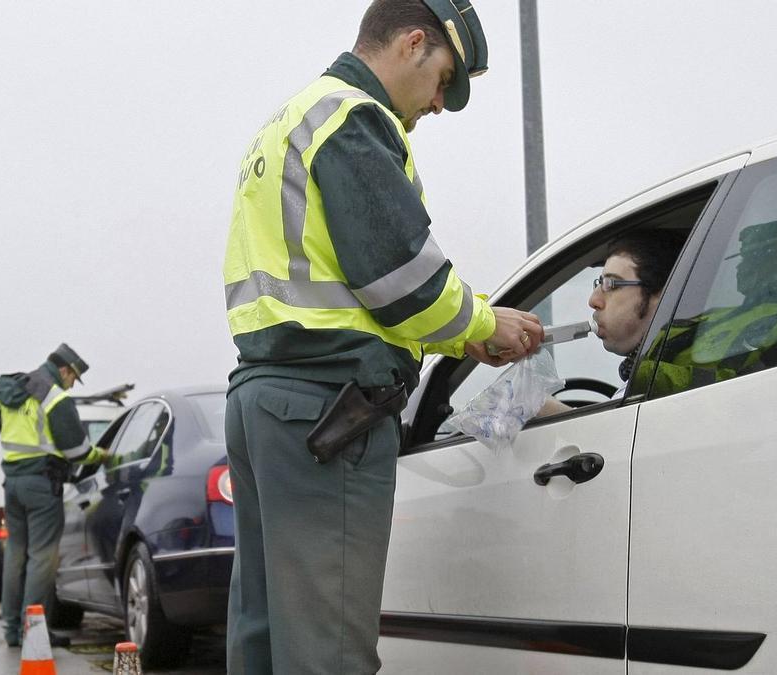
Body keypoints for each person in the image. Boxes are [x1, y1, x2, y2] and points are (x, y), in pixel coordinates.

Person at [220, 1, 543, 671]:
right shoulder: (353, 119)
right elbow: (402, 277)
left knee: (267, 634)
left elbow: (348, 283)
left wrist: (460, 339)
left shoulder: (291, 119)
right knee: (328, 650)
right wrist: (484, 322)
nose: (436, 105)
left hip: (263, 402)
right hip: (327, 411)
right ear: (412, 43)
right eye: (442, 80)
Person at [641, 212, 777, 395]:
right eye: (742, 257)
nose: (741, 267)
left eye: (755, 255)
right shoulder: (711, 316)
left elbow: (746, 392)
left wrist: (649, 376)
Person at [0, 342, 107, 648]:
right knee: (42, 559)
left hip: (13, 484)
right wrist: (102, 455)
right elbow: (78, 451)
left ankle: (12, 629)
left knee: (16, 556)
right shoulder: (55, 399)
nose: (71, 385)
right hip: (42, 486)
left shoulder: (13, 390)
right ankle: (34, 629)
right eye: (73, 379)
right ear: (65, 370)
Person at [539, 230, 687, 415]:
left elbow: (613, 439)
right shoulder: (664, 370)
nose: (594, 300)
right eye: (599, 283)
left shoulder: (669, 378)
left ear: (663, 295)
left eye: (611, 284)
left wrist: (537, 404)